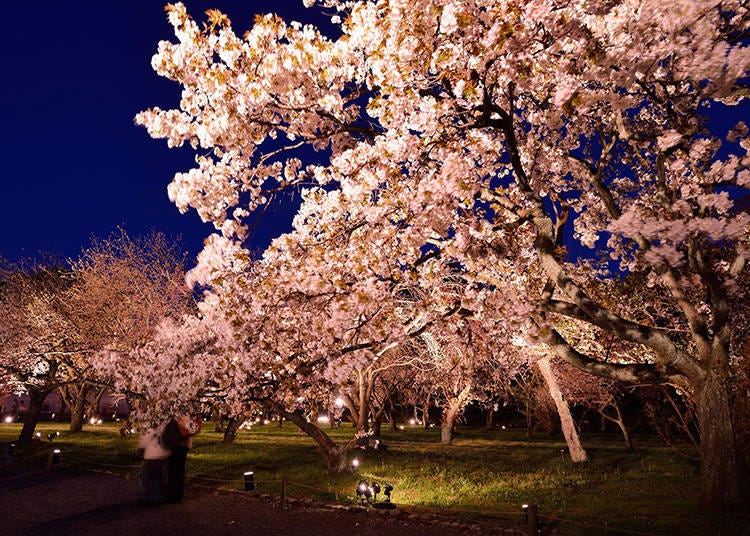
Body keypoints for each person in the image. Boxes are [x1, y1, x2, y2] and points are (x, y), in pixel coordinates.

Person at [162, 414, 201, 503]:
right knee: (174, 469)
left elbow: (191, 428)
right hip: (176, 442)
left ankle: (174, 495)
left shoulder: (188, 412)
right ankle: (173, 494)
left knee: (176, 469)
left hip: (180, 443)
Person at [137, 421, 171, 506]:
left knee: (147, 477)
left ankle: (153, 497)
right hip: (164, 454)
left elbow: (146, 438)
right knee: (159, 477)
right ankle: (160, 495)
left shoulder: (149, 424)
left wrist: (141, 447)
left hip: (152, 455)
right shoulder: (166, 423)